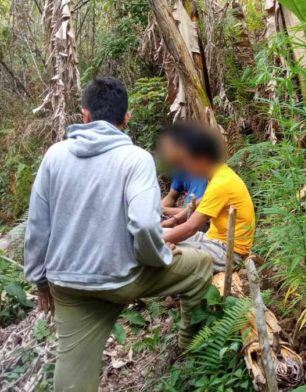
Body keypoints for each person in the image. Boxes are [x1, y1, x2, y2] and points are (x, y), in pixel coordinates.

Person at [24, 77, 214, 392]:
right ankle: (189, 348)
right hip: (123, 278)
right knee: (200, 265)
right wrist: (160, 256)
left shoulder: (54, 156)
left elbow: (37, 226)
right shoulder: (135, 159)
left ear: (84, 115)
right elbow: (142, 225)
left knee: (72, 373)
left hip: (68, 283)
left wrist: (39, 280)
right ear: (126, 119)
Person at [159, 122, 255, 270]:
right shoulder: (221, 174)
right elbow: (202, 201)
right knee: (161, 233)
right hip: (212, 240)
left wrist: (154, 242)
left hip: (227, 252)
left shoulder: (220, 184)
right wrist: (175, 220)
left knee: (166, 250)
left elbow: (190, 227)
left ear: (202, 159)